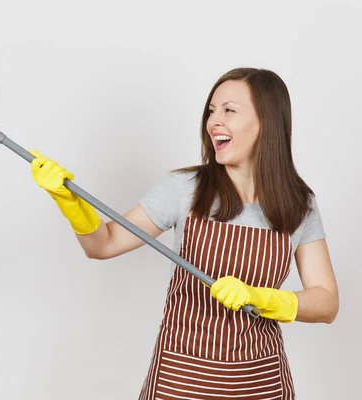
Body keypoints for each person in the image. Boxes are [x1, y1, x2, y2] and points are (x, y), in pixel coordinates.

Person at [28, 67, 339, 400]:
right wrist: (69, 202)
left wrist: (261, 298)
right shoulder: (186, 189)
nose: (213, 121)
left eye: (229, 110)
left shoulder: (298, 204)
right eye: (211, 111)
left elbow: (326, 302)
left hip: (259, 381)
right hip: (181, 378)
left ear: (266, 122)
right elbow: (103, 244)